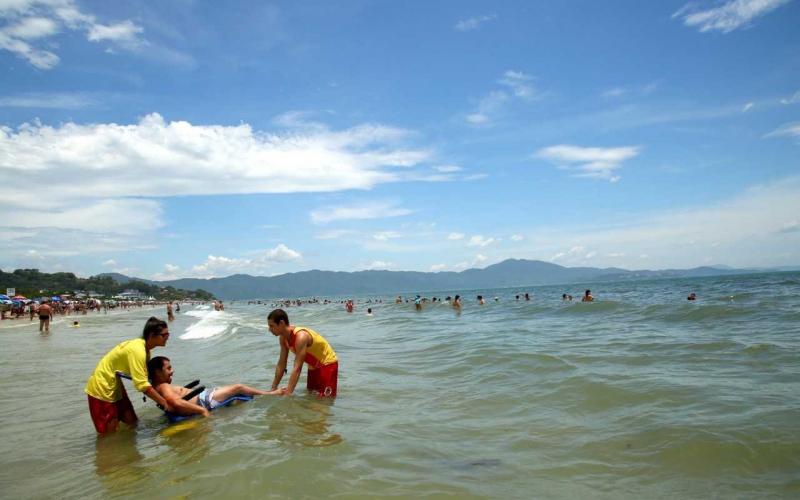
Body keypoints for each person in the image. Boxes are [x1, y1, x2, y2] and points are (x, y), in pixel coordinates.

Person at [84, 317, 174, 433]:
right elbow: (142, 385)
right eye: (164, 335)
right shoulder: (138, 350)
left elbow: (145, 377)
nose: (167, 337)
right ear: (152, 335)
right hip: (102, 388)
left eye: (168, 334)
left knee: (132, 422)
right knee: (108, 435)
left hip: (115, 384)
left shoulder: (146, 350)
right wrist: (165, 403)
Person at [147, 356, 279, 417]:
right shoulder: (164, 387)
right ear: (158, 372)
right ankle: (270, 394)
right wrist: (202, 411)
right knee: (238, 387)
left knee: (237, 394)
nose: (172, 371)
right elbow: (174, 402)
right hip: (205, 401)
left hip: (204, 396)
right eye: (168, 368)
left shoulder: (157, 387)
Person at [267, 308, 339, 397]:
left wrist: (288, 394)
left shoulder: (301, 336)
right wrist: (273, 388)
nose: (269, 330)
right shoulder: (283, 338)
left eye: (271, 326)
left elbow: (297, 368)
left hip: (328, 364)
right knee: (311, 396)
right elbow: (281, 364)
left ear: (281, 323)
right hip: (313, 366)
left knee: (325, 400)